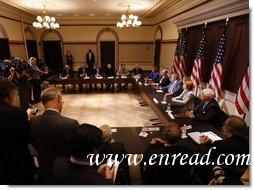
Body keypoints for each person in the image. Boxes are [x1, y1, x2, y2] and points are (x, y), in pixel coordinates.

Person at [30, 87, 79, 184]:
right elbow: (77, 150)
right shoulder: (71, 124)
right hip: (65, 174)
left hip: (44, 171)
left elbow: (33, 145)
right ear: (59, 99)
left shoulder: (33, 121)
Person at [0, 80, 35, 184]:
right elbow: (26, 138)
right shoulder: (18, 113)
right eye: (17, 94)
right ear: (11, 94)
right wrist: (27, 121)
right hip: (16, 162)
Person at [198, 115, 249, 183]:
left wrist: (202, 144)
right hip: (237, 175)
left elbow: (207, 157)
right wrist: (211, 143)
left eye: (224, 126)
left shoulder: (221, 144)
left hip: (220, 175)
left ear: (229, 130)